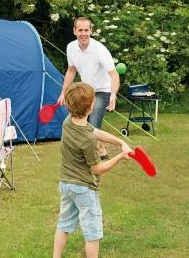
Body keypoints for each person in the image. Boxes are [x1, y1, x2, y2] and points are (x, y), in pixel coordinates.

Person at [53, 82, 132, 258]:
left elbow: (94, 131)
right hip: (83, 188)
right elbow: (97, 169)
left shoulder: (68, 122)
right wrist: (119, 157)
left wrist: (120, 142)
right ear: (90, 109)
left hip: (66, 184)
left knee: (63, 225)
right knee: (92, 233)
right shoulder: (87, 141)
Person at [57, 17, 120, 159]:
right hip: (87, 91)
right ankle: (101, 149)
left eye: (86, 30)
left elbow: (114, 75)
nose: (83, 33)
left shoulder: (100, 50)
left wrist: (113, 95)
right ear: (74, 31)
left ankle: (93, 156)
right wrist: (63, 92)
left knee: (93, 125)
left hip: (103, 91)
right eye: (80, 30)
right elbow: (71, 70)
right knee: (81, 123)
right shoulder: (71, 47)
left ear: (91, 31)